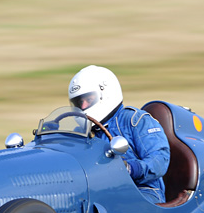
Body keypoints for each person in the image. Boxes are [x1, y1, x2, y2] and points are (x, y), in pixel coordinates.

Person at [68, 65, 170, 204]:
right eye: (79, 102)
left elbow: (160, 160)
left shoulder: (136, 121)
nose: (83, 106)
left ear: (106, 93)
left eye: (88, 99)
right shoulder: (80, 132)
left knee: (117, 206)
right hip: (99, 192)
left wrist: (130, 168)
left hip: (143, 191)